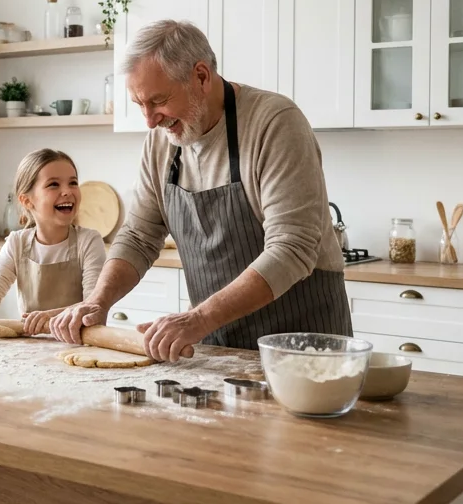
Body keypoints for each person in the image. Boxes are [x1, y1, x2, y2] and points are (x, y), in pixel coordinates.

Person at [50, 20, 351, 361]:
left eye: (158, 101)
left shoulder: (275, 123)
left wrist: (199, 318)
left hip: (302, 346)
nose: (150, 121)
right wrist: (97, 301)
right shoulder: (161, 142)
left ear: (202, 76)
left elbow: (292, 248)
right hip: (218, 345)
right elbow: (138, 236)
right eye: (139, 105)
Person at [0, 148, 107, 335]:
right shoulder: (17, 243)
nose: (67, 191)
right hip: (32, 345)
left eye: (73, 183)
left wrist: (51, 317)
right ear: (27, 201)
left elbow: (92, 306)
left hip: (78, 342)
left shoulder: (88, 242)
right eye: (54, 184)